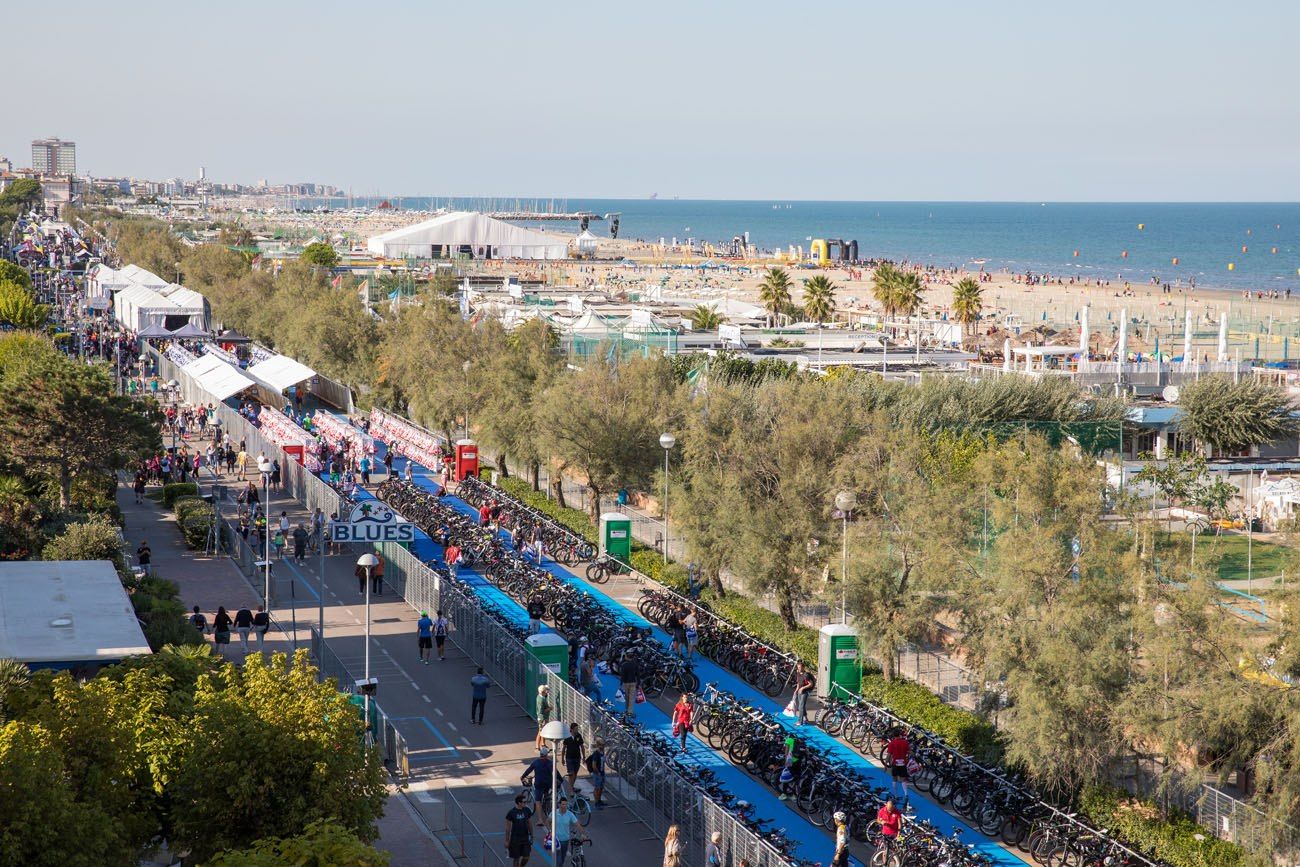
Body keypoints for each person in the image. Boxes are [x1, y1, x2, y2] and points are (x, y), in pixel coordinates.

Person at [521, 748, 555, 825]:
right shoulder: (550, 763)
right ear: (546, 755)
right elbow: (556, 772)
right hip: (548, 784)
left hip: (539, 784)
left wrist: (522, 777)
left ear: (540, 754)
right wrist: (560, 780)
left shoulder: (536, 762)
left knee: (538, 801)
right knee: (547, 797)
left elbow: (528, 770)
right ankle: (550, 816)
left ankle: (540, 820)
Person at [504, 793, 534, 867]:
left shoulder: (527, 810)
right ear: (519, 803)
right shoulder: (511, 813)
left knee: (526, 857)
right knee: (516, 858)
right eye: (524, 802)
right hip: (515, 839)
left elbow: (530, 823)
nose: (526, 803)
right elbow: (508, 828)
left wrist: (532, 835)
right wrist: (507, 841)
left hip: (525, 837)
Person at [552, 797, 583, 867]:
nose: (564, 806)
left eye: (566, 804)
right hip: (556, 840)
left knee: (562, 857)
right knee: (559, 858)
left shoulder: (570, 814)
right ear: (559, 805)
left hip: (565, 840)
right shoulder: (554, 813)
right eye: (563, 804)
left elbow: (578, 824)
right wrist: (550, 831)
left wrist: (582, 833)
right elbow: (547, 821)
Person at [884, 729, 912, 805]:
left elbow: (889, 755)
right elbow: (909, 752)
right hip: (903, 763)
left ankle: (896, 795)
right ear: (900, 735)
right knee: (903, 779)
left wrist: (886, 765)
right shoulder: (905, 742)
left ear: (893, 736)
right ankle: (906, 794)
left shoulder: (892, 743)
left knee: (894, 778)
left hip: (895, 763)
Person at [562, 722, 585, 796]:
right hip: (569, 758)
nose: (577, 730)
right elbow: (564, 748)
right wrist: (562, 758)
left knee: (575, 774)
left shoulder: (578, 736)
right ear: (571, 729)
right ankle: (571, 790)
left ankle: (571, 786)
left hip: (577, 758)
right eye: (575, 729)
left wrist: (584, 757)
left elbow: (582, 746)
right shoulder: (567, 737)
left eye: (577, 729)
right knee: (572, 774)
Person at [586, 738, 606, 809]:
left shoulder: (602, 752)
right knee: (597, 788)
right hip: (597, 773)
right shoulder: (596, 753)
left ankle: (599, 800)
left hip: (602, 772)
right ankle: (596, 802)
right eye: (601, 745)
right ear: (598, 745)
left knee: (601, 787)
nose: (603, 746)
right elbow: (594, 765)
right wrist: (598, 772)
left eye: (603, 744)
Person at [619, 652, 640, 718]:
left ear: (627, 657)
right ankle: (630, 711)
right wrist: (638, 683)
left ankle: (627, 709)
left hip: (626, 682)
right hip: (633, 682)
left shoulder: (624, 665)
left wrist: (621, 683)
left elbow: (622, 675)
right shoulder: (635, 664)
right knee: (631, 697)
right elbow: (638, 674)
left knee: (626, 697)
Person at [793, 661, 814, 726]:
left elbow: (811, 684)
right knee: (801, 706)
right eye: (798, 667)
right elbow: (798, 683)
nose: (799, 669)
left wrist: (803, 688)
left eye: (800, 667)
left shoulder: (806, 675)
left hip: (805, 692)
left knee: (801, 707)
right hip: (800, 691)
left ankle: (800, 721)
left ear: (803, 667)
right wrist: (796, 690)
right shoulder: (798, 673)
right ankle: (806, 718)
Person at [535, 685, 552, 750]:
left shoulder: (542, 697)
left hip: (544, 717)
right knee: (540, 731)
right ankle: (537, 746)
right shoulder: (540, 699)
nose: (546, 692)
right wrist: (549, 708)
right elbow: (541, 711)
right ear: (542, 691)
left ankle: (543, 744)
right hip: (542, 718)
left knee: (543, 731)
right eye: (545, 691)